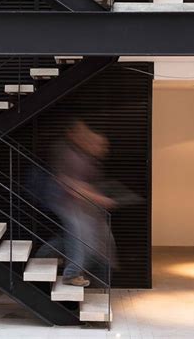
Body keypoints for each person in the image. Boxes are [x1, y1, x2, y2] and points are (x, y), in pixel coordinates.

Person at [48, 120, 116, 287]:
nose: (103, 149)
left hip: (77, 204)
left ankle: (45, 254)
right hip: (64, 201)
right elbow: (69, 184)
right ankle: (71, 274)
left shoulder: (85, 156)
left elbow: (82, 183)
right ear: (72, 133)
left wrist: (94, 194)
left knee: (77, 236)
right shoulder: (67, 152)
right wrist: (98, 197)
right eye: (99, 144)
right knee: (81, 235)